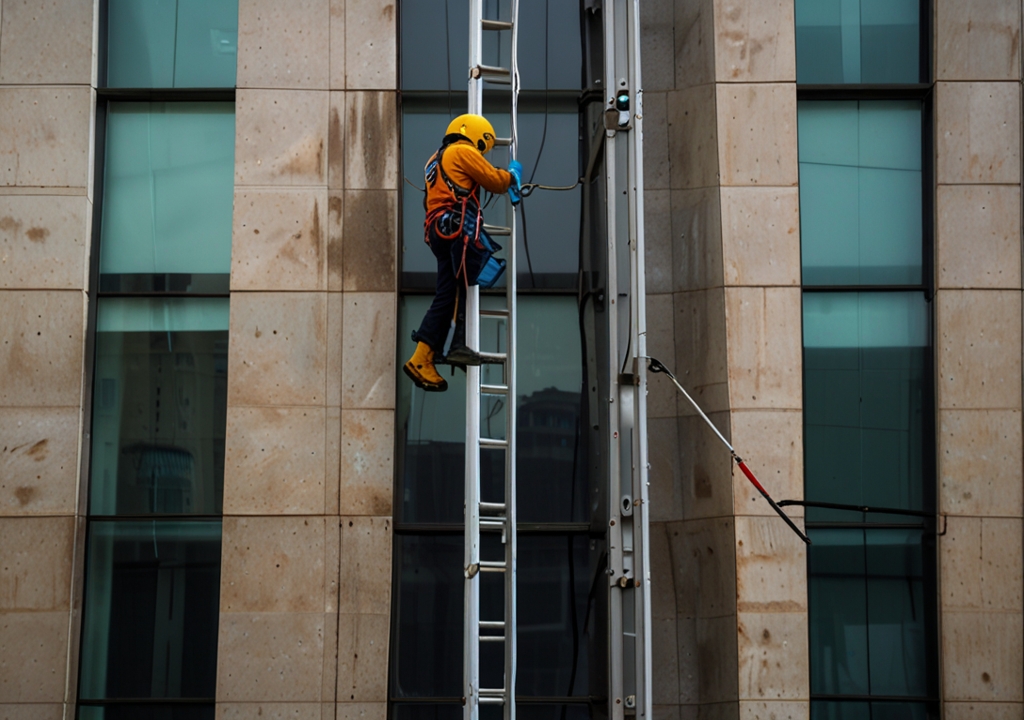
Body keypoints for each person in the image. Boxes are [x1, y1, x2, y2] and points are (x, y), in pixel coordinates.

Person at [403, 114, 522, 392]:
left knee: (450, 293)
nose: (481, 151)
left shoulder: (435, 158)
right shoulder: (463, 150)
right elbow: (493, 180)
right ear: (475, 135)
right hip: (456, 229)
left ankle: (423, 357)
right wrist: (511, 176)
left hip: (438, 228)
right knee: (457, 291)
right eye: (483, 145)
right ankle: (454, 346)